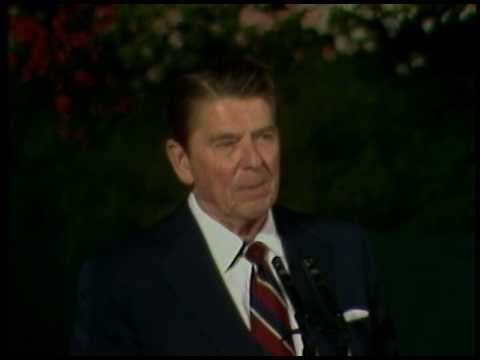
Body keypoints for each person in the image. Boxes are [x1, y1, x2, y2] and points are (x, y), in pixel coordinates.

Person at [70, 57, 398, 355]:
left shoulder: (344, 248)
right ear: (182, 161)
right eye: (228, 144)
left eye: (264, 137)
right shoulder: (123, 282)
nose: (254, 161)